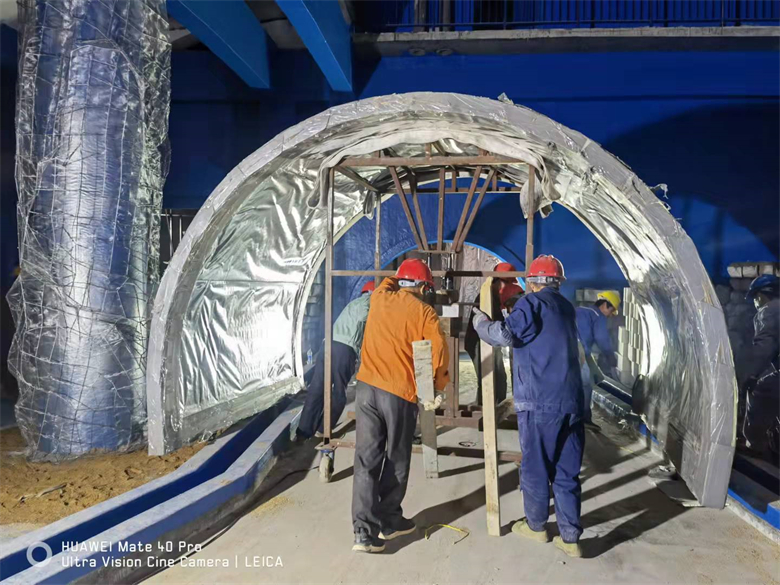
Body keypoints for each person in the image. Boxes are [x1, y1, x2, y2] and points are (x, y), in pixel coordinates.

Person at [472, 254, 585, 558]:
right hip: (572, 403)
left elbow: (506, 334)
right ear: (558, 282)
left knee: (535, 466)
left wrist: (481, 322)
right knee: (566, 470)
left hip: (540, 403)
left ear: (532, 281)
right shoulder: (566, 308)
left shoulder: (531, 304)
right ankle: (571, 537)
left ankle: (536, 527)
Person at [351, 259, 449, 553]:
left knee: (366, 461)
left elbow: (388, 282)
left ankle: (363, 533)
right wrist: (437, 388)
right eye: (426, 288)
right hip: (398, 393)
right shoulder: (425, 313)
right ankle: (390, 521)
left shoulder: (380, 298)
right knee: (396, 458)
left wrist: (402, 275)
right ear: (422, 287)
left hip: (366, 389)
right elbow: (439, 354)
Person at [297, 281, 375, 439]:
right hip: (343, 350)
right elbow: (366, 319)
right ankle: (323, 429)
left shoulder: (353, 303)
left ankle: (303, 431)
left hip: (328, 345)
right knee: (339, 393)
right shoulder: (370, 303)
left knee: (317, 388)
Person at [464, 262, 521, 405]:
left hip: (490, 340)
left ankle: (498, 409)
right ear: (497, 281)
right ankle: (486, 411)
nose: (508, 288)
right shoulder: (485, 296)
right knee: (488, 378)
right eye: (507, 283)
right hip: (477, 342)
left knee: (499, 378)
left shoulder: (496, 296)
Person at [741, 275, 779, 459]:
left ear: (762, 296)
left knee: (759, 391)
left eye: (755, 298)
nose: (755, 303)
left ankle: (754, 445)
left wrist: (752, 375)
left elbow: (765, 346)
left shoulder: (768, 311)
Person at [576, 291, 620, 431]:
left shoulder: (580, 310)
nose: (610, 315)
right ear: (605, 305)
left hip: (565, 350)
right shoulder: (597, 316)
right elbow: (602, 340)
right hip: (578, 351)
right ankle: (584, 418)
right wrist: (611, 359)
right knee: (586, 384)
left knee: (591, 377)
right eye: (611, 310)